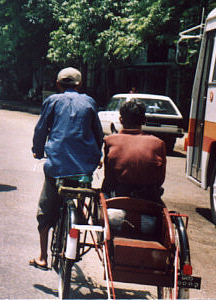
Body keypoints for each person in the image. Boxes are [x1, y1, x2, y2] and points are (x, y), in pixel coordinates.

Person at [30, 67, 103, 270]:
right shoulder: (89, 102)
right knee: (79, 197)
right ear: (79, 85)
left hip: (57, 166)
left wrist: (37, 150)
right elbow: (98, 133)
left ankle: (43, 257)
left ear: (58, 84)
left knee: (45, 210)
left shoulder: (52, 101)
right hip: (83, 168)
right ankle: (76, 223)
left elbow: (41, 129)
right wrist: (98, 156)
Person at [101, 100, 166, 201]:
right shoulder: (158, 143)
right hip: (148, 199)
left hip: (118, 197)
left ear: (121, 120)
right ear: (144, 120)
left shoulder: (110, 140)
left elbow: (109, 176)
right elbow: (160, 180)